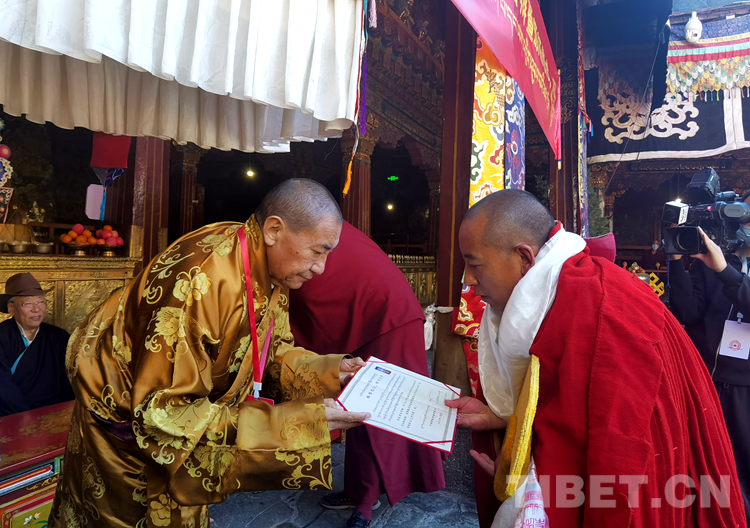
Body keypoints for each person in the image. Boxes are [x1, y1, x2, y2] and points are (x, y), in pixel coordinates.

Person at [48, 179, 370, 528]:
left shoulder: (264, 262)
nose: (320, 267)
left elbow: (271, 349)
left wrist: (331, 372)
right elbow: (166, 415)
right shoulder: (200, 279)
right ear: (274, 229)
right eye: (318, 251)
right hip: (128, 433)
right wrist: (299, 423)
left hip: (183, 416)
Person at [446, 189, 746, 527]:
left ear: (525, 257)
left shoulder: (599, 311)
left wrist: (528, 489)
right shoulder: (563, 289)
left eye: (474, 264)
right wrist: (502, 419)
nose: (468, 280)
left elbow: (621, 467)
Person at [289, 221, 445, 528]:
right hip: (372, 314)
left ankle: (364, 505)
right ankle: (358, 489)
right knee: (356, 405)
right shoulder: (316, 228)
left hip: (389, 318)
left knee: (376, 414)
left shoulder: (308, 232)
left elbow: (303, 310)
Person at [669, 198, 750, 523]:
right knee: (706, 464)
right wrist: (676, 260)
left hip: (745, 387)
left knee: (744, 468)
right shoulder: (715, 259)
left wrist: (725, 272)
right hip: (707, 381)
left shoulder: (721, 266)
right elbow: (688, 312)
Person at [0, 272, 73, 417]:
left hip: (53, 415)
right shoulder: (2, 336)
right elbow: (2, 386)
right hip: (11, 416)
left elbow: (69, 382)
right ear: (11, 308)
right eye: (27, 303)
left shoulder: (58, 337)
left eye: (40, 301)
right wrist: (26, 417)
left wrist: (63, 414)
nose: (36, 309)